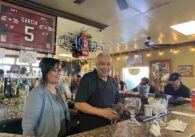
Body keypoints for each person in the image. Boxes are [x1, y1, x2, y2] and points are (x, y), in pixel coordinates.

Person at [22, 57, 70, 137]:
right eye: (55, 70)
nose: (59, 73)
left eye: (59, 70)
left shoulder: (59, 91)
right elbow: (28, 126)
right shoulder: (37, 94)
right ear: (46, 71)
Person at [74, 53, 119, 132]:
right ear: (96, 65)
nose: (105, 67)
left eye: (108, 64)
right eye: (102, 64)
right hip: (89, 128)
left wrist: (123, 107)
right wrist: (103, 112)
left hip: (109, 127)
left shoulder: (112, 81)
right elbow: (79, 104)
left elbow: (116, 102)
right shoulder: (87, 79)